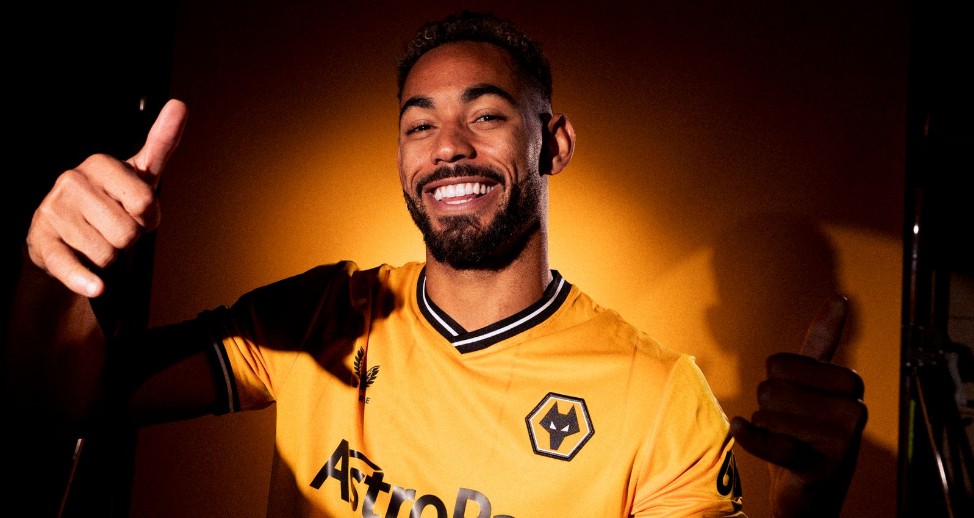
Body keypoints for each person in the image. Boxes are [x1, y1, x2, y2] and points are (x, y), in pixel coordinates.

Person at [8, 10, 866, 517]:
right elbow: (62, 400)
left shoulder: (662, 397)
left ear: (554, 144)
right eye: (420, 124)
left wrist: (807, 513)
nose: (448, 146)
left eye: (486, 115)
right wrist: (53, 272)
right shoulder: (319, 316)